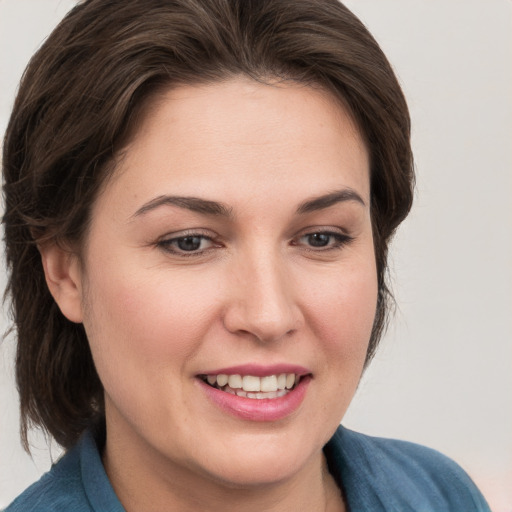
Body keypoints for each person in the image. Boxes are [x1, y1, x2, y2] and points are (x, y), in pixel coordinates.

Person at [1, 0, 491, 511]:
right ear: (65, 272)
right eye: (189, 241)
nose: (268, 315)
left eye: (320, 238)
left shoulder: (438, 494)